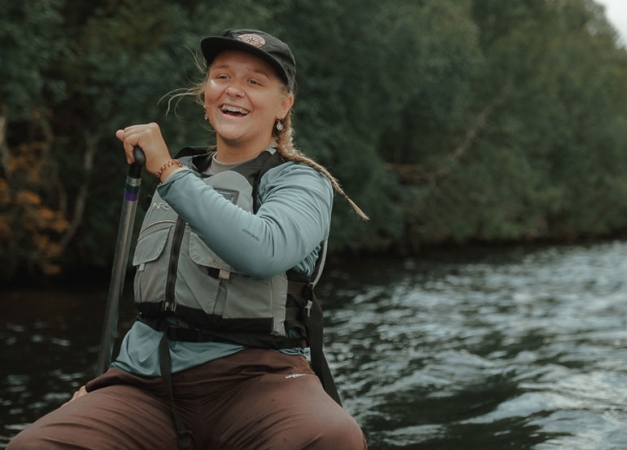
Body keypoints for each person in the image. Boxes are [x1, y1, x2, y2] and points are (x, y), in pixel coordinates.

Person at [9, 29, 368, 450]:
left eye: (255, 82)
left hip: (259, 378)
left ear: (283, 106)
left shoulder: (300, 181)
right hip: (147, 382)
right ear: (206, 96)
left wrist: (167, 171)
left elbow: (265, 249)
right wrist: (105, 380)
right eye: (222, 77)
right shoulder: (185, 174)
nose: (234, 90)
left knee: (332, 437)